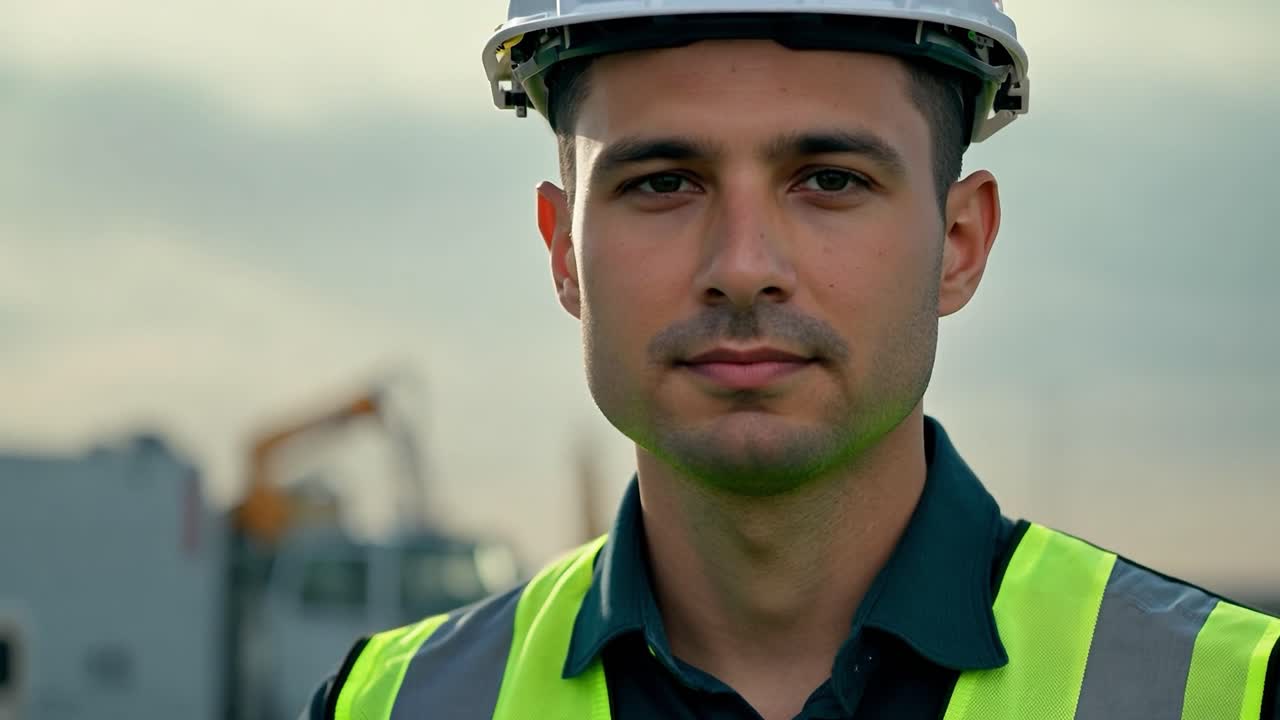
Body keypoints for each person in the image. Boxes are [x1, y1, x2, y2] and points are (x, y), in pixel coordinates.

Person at [302, 2, 1280, 718]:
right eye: (663, 182)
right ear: (562, 252)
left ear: (959, 241)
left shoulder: (1236, 694)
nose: (741, 268)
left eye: (827, 179)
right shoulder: (390, 705)